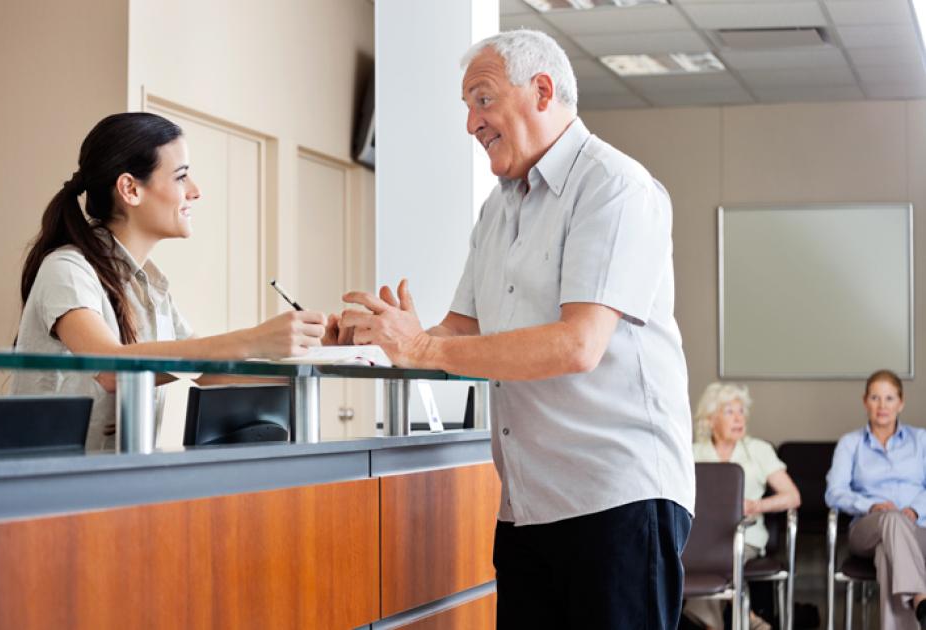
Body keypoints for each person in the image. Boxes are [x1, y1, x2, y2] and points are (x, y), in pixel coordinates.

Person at [337, 30, 694, 629]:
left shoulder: (614, 187)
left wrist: (422, 348)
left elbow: (579, 344)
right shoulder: (499, 207)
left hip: (616, 499)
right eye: (467, 107)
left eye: (482, 100)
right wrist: (387, 337)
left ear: (542, 91)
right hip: (528, 507)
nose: (470, 124)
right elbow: (459, 331)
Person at [12, 112, 333, 451]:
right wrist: (253, 339)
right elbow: (111, 370)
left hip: (114, 482)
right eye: (181, 177)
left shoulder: (152, 286)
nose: (195, 191)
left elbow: (209, 372)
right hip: (48, 487)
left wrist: (321, 355)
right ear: (130, 189)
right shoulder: (66, 269)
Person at [685, 382, 801, 630]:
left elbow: (792, 497)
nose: (739, 418)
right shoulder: (693, 453)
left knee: (716, 559)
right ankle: (750, 621)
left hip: (743, 538)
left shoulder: (758, 450)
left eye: (741, 412)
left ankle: (713, 625)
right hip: (698, 540)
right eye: (729, 412)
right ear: (710, 418)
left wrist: (755, 505)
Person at [826, 369, 926, 630]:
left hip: (918, 530)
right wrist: (869, 506)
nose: (882, 406)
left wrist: (915, 510)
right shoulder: (850, 444)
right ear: (865, 401)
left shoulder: (921, 440)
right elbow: (834, 492)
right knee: (890, 521)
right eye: (875, 398)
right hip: (867, 529)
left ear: (901, 403)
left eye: (890, 398)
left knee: (887, 556)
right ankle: (920, 597)